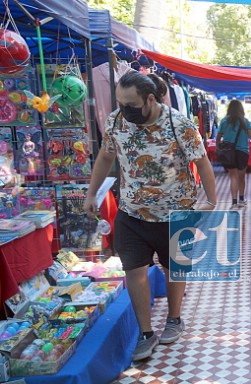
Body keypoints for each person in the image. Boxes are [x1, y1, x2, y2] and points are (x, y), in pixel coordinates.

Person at [83, 72, 217, 361]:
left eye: (130, 104)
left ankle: (174, 318)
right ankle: (146, 332)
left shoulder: (178, 123)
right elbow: (106, 156)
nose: (123, 109)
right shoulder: (117, 121)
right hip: (132, 213)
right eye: (119, 102)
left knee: (174, 269)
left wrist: (212, 201)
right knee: (134, 271)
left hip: (176, 214)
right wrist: (91, 192)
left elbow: (202, 161)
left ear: (151, 99)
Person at [215, 100, 251, 208]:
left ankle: (234, 202)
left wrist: (218, 147)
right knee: (241, 177)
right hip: (243, 152)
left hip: (229, 152)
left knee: (233, 177)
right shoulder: (245, 121)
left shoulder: (224, 121)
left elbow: (218, 137)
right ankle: (241, 199)